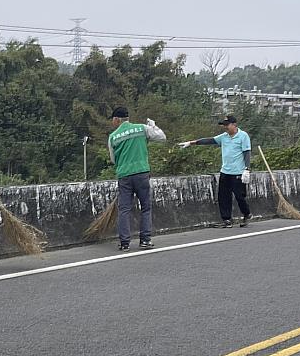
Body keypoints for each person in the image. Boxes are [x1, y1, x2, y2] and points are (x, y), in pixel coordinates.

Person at [107, 106, 166, 251]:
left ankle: (124, 243)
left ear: (117, 119)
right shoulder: (142, 128)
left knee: (124, 209)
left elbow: (113, 159)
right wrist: (153, 125)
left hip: (124, 175)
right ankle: (145, 240)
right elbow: (162, 137)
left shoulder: (113, 137)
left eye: (113, 120)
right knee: (145, 207)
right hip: (141, 173)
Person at [178, 114, 252, 228]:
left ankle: (246, 214)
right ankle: (227, 219)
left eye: (227, 125)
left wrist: (247, 169)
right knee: (223, 196)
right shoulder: (224, 137)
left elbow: (246, 153)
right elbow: (210, 140)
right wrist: (191, 143)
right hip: (225, 171)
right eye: (224, 125)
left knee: (239, 196)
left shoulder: (243, 136)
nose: (225, 127)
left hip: (238, 172)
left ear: (234, 125)